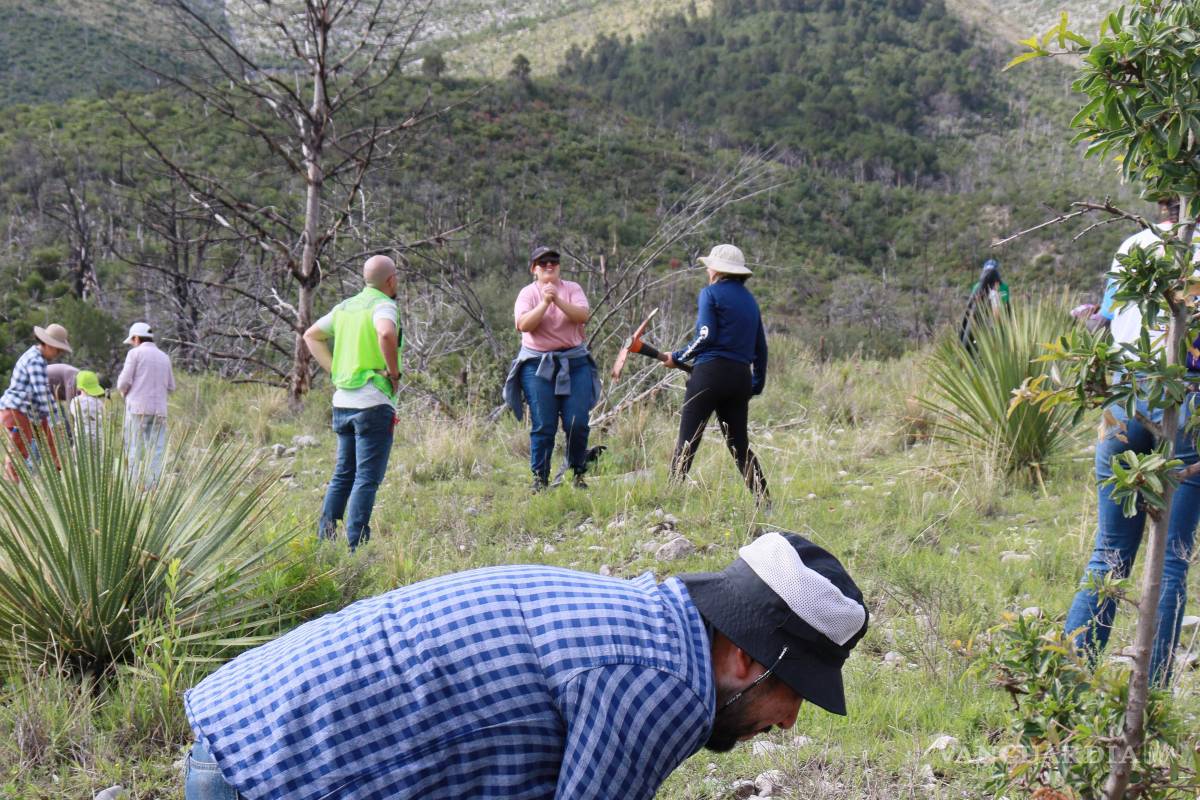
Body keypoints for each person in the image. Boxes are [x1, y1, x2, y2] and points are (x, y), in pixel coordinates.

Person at [181, 530, 868, 800]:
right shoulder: (666, 683)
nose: (789, 722)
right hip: (265, 776)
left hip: (243, 728)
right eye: (795, 690)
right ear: (746, 657)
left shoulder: (644, 616)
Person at [1065, 196, 1198, 686]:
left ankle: (1071, 684)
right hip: (1186, 402)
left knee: (1109, 554)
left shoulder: (1134, 245)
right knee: (1171, 561)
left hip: (1125, 401)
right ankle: (1152, 693)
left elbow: (1108, 322)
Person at [302, 254, 402, 550]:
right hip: (372, 401)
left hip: (343, 402)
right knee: (366, 478)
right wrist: (394, 373)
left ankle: (325, 537)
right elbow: (385, 332)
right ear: (391, 280)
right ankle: (354, 546)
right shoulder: (384, 305)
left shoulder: (344, 307)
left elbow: (312, 336)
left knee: (343, 473)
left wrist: (335, 369)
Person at [662, 243, 769, 502]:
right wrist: (756, 383)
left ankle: (669, 499)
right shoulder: (750, 301)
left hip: (710, 373)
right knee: (739, 446)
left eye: (709, 265)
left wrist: (677, 357)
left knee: (688, 439)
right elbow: (761, 348)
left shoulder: (710, 294)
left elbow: (705, 336)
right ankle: (764, 501)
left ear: (716, 270)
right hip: (740, 377)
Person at [503, 245, 600, 492]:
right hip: (537, 365)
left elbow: (582, 316)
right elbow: (524, 324)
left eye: (553, 262)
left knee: (577, 422)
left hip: (574, 363)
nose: (549, 265)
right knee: (544, 424)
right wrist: (545, 302)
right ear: (533, 269)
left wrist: (557, 298)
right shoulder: (527, 294)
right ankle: (540, 479)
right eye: (542, 262)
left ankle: (578, 473)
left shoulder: (572, 289)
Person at [0, 324, 70, 482]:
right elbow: (42, 393)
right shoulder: (35, 361)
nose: (58, 354)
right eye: (58, 350)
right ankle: (12, 490)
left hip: (32, 412)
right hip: (17, 411)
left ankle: (61, 480)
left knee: (53, 444)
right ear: (49, 345)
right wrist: (56, 418)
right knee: (19, 452)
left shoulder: (38, 358)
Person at [117, 322, 176, 489]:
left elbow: (124, 381)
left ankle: (133, 485)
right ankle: (153, 486)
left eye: (132, 340)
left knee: (133, 446)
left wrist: (124, 392)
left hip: (137, 408)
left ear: (136, 338)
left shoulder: (134, 354)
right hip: (159, 410)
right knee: (156, 450)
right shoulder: (164, 357)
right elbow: (171, 386)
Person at [957, 258, 1010, 353]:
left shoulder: (1001, 288)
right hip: (981, 326)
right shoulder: (978, 287)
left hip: (989, 326)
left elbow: (1002, 309)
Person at [69, 370, 107, 444]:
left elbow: (73, 415)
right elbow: (104, 418)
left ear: (79, 387)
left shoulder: (74, 401)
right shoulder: (99, 403)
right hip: (98, 438)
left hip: (80, 438)